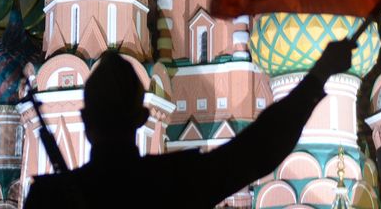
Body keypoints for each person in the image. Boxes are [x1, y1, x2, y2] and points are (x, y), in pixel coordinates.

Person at [22, 39, 356, 209]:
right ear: (142, 117)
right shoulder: (173, 180)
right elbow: (258, 150)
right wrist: (318, 75)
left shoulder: (50, 199)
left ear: (85, 119)